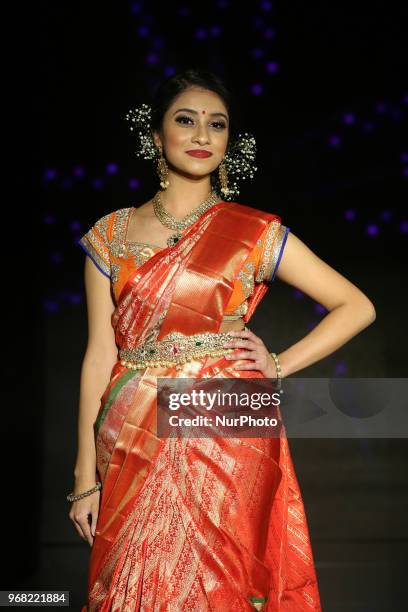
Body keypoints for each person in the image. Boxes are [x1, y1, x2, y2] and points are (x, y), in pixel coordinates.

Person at [68, 68, 376, 611]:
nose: (202, 135)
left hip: (227, 416)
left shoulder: (255, 232)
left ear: (230, 141)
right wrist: (82, 478)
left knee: (223, 580)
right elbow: (99, 354)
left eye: (217, 125)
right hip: (131, 425)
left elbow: (356, 306)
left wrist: (278, 363)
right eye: (185, 120)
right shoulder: (110, 235)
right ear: (156, 136)